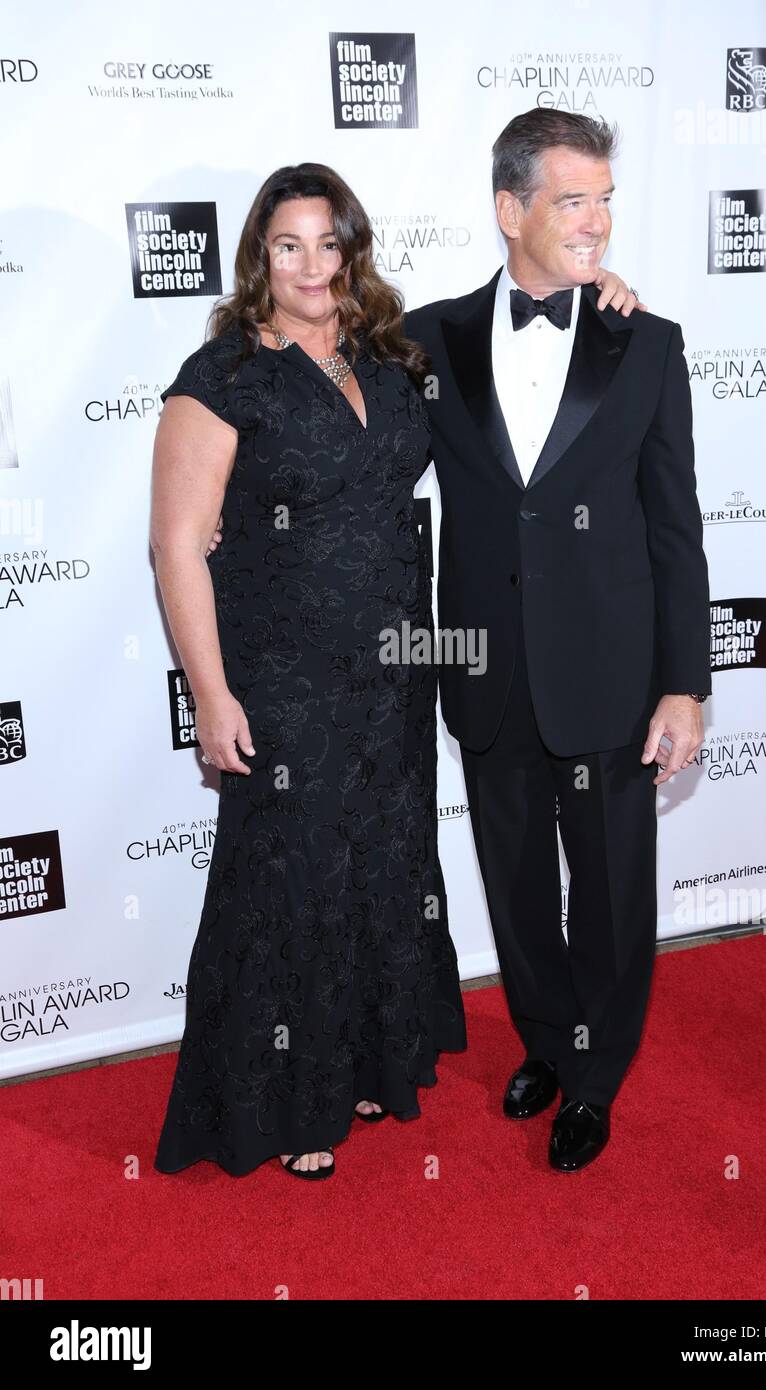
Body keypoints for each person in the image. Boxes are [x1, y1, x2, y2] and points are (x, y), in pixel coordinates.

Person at [403, 109, 712, 1173]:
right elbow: (346, 437)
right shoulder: (428, 337)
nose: (595, 222)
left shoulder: (647, 341)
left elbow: (675, 524)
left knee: (612, 886)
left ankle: (594, 1074)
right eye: (571, 199)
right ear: (509, 209)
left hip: (611, 669)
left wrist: (684, 685)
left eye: (604, 200)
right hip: (483, 667)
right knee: (517, 880)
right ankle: (543, 1036)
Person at [150, 163, 470, 1179]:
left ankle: (370, 1063)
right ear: (259, 257)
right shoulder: (225, 376)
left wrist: (602, 293)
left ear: (353, 249)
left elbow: (507, 320)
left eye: (328, 242)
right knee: (289, 883)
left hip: (393, 671)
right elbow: (175, 545)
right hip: (285, 678)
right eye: (287, 245)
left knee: (382, 868)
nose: (309, 265)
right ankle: (289, 1104)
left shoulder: (391, 356)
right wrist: (211, 694)